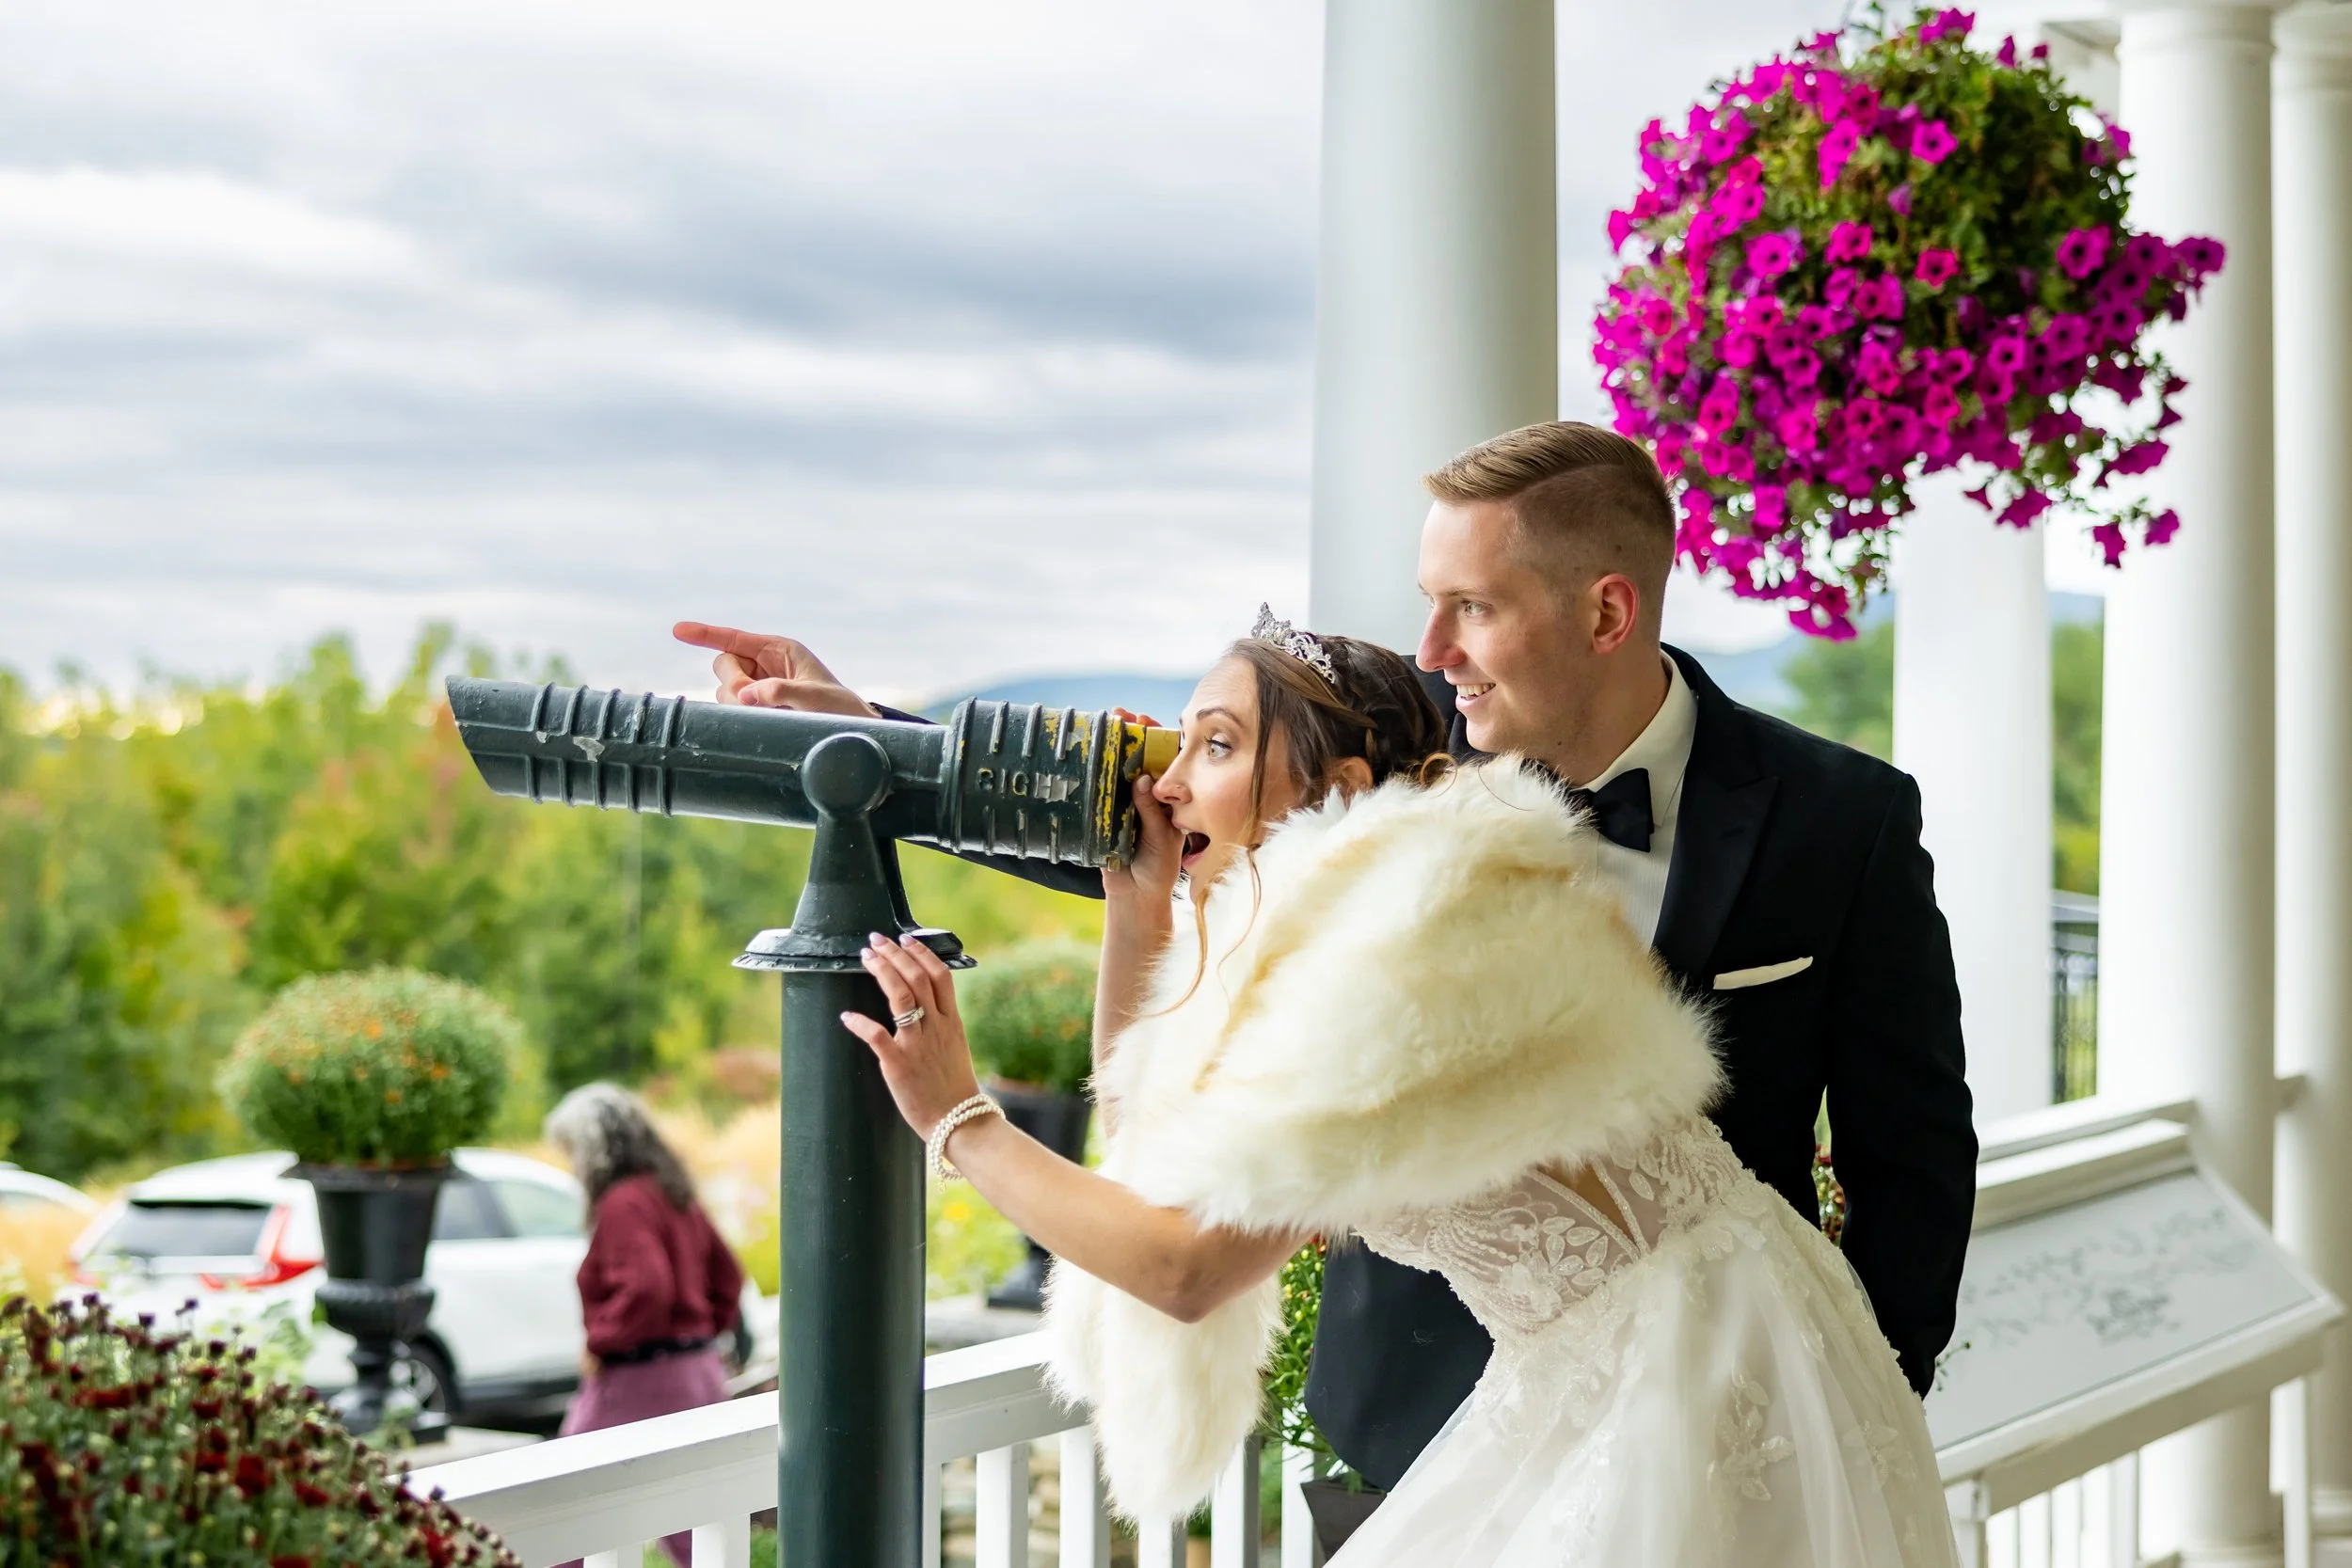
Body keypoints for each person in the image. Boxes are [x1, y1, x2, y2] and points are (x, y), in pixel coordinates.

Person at [673, 418, 1975, 1505]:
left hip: (1720, 1423)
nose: (1431, 647)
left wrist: (1850, 1398)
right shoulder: (1405, 769)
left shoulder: (1840, 819)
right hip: (1411, 1420)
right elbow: (1167, 830)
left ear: (1607, 607)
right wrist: (867, 736)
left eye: (1470, 604)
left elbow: (1911, 1148)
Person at [831, 614, 1957, 1563]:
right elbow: (1158, 1154)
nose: (1166, 785)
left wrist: (959, 1121)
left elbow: (1185, 1263)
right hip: (1578, 1366)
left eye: (1212, 746)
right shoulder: (1338, 907)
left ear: (1340, 786)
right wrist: (1139, 908)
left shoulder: (1401, 946)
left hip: (1700, 1370)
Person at [543, 1084, 746, 1568]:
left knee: (563, 1497)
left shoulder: (623, 1203)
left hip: (641, 1376)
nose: (571, 1165)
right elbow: (728, 1277)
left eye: (571, 1151)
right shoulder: (672, 1193)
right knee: (690, 1515)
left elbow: (648, 1286)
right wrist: (696, 1336)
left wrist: (602, 1340)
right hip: (696, 1372)